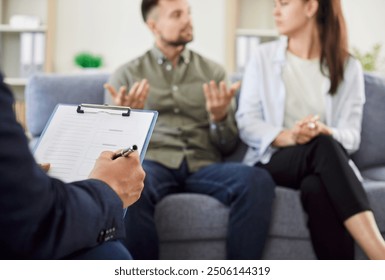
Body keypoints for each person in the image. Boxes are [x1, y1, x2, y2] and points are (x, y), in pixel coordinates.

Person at [104, 0, 275, 260]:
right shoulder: (126, 76)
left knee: (257, 181)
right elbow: (112, 152)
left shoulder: (213, 72)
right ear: (153, 25)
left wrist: (219, 118)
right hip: (154, 165)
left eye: (188, 13)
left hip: (204, 165)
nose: (188, 20)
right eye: (177, 15)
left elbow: (228, 144)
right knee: (127, 183)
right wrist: (130, 119)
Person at [236, 0, 385, 260]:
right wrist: (291, 136)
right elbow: (247, 122)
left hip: (321, 164)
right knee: (323, 146)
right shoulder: (262, 57)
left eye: (283, 3)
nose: (276, 11)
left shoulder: (348, 66)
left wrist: (325, 130)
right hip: (274, 161)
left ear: (310, 7)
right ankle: (380, 255)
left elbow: (352, 136)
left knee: (316, 186)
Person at [0, 72, 145, 259]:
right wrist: (107, 189)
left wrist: (23, 172)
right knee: (111, 255)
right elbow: (39, 218)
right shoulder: (130, 70)